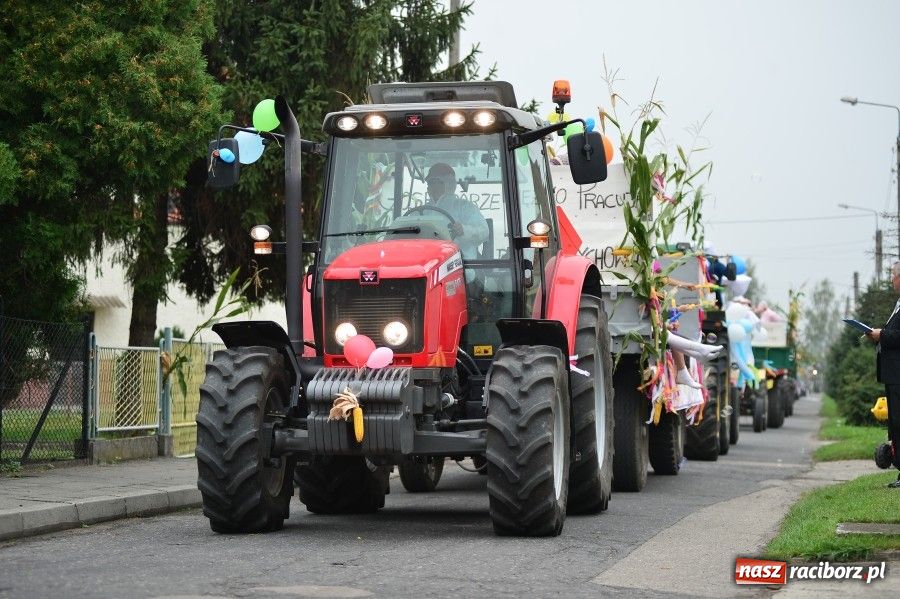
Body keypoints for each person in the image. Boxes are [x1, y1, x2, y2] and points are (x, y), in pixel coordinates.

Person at [866, 261, 900, 488]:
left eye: (894, 275)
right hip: (892, 373)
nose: (891, 280)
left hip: (898, 373)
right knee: (895, 422)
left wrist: (882, 335)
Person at [423, 163, 489, 259]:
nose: (429, 186)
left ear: (447, 183)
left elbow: (484, 232)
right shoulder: (421, 211)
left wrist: (464, 230)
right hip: (426, 264)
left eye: (434, 182)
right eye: (429, 183)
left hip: (462, 265)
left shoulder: (465, 207)